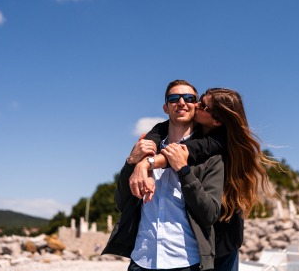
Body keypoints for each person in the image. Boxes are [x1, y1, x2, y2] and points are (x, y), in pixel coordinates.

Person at [128, 87, 276, 271]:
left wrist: (146, 164)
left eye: (203, 105)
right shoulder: (197, 130)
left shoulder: (219, 141)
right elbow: (160, 129)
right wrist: (142, 153)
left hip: (223, 239)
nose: (195, 105)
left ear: (216, 120)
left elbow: (182, 153)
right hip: (198, 238)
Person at [102, 80, 225, 271]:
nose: (182, 102)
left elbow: (209, 214)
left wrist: (184, 171)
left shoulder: (210, 157)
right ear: (166, 107)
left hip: (187, 262)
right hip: (142, 260)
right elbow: (121, 203)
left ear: (196, 106)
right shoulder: (145, 147)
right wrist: (131, 162)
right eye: (174, 98)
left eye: (189, 98)